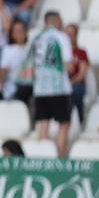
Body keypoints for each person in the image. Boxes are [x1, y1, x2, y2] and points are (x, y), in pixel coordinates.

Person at [25, 12, 73, 156]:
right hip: (59, 88)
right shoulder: (61, 37)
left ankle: (42, 156)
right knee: (63, 125)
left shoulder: (35, 38)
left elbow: (28, 66)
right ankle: (59, 157)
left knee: (43, 124)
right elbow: (68, 65)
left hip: (40, 88)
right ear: (56, 21)